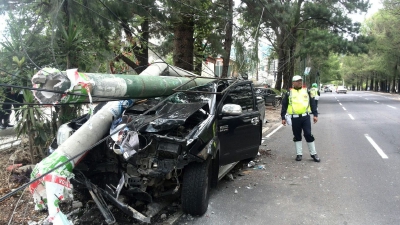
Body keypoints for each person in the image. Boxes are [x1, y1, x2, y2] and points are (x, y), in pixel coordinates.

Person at [281, 75, 320, 162]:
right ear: (293, 83)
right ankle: (299, 154)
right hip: (295, 118)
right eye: (298, 81)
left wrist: (315, 114)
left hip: (305, 117)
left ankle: (314, 154)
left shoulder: (306, 91)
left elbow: (313, 103)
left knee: (308, 134)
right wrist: (283, 117)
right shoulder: (289, 93)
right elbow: (284, 105)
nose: (300, 82)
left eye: (301, 81)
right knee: (297, 135)